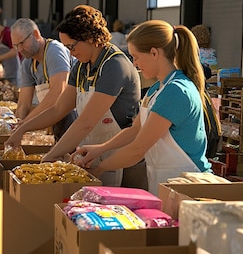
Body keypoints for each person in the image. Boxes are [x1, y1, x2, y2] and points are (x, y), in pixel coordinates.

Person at [6, 5, 140, 186]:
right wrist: (22, 129)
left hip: (118, 156)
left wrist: (50, 156)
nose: (70, 52)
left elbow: (86, 122)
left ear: (90, 38)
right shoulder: (82, 67)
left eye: (72, 46)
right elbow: (58, 109)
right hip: (90, 152)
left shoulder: (113, 66)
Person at [75, 20, 212, 195]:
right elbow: (135, 130)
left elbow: (137, 150)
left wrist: (100, 169)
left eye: (136, 57)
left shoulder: (175, 92)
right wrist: (100, 149)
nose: (134, 64)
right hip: (166, 182)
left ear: (154, 53)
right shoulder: (157, 89)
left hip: (188, 186)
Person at [10, 18, 77, 141]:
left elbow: (58, 93)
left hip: (73, 116)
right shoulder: (27, 63)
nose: (20, 49)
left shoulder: (54, 51)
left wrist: (26, 124)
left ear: (35, 35)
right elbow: (23, 104)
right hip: (53, 117)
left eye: (22, 43)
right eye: (15, 46)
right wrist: (15, 127)